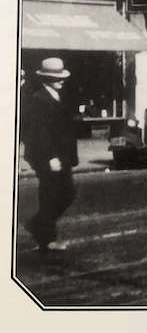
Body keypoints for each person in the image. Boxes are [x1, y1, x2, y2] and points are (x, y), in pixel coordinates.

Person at [22, 57, 79, 253]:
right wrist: (50, 157)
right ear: (46, 79)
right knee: (51, 194)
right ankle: (47, 238)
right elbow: (39, 133)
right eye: (57, 78)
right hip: (47, 157)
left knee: (66, 193)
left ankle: (39, 225)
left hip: (61, 156)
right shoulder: (39, 100)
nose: (61, 80)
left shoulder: (58, 96)